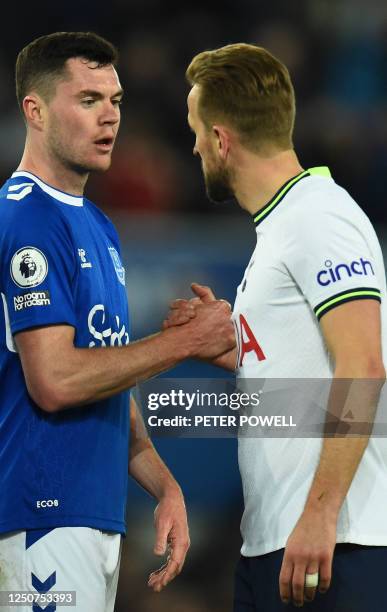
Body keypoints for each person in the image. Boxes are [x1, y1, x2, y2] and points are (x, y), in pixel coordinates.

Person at [0, 32, 235, 612]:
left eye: (117, 101)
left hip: (93, 517)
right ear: (34, 110)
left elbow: (107, 383)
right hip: (44, 517)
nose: (110, 117)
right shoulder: (28, 218)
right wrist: (181, 344)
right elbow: (55, 382)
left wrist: (164, 484)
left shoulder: (100, 227)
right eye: (87, 100)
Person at [164, 43, 387, 610]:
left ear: (221, 139)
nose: (192, 147)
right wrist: (233, 349)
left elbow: (363, 364)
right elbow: (307, 362)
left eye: (195, 130)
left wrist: (319, 515)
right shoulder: (284, 225)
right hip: (278, 541)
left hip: (335, 543)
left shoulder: (321, 217)